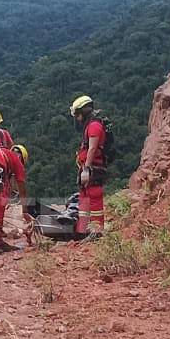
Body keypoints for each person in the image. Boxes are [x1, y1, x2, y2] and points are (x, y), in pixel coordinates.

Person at [71, 95, 107, 237]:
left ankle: (96, 232)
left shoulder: (94, 126)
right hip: (88, 167)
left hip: (93, 168)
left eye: (78, 115)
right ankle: (83, 231)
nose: (77, 119)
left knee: (94, 197)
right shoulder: (90, 125)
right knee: (84, 198)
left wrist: (86, 168)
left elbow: (92, 148)